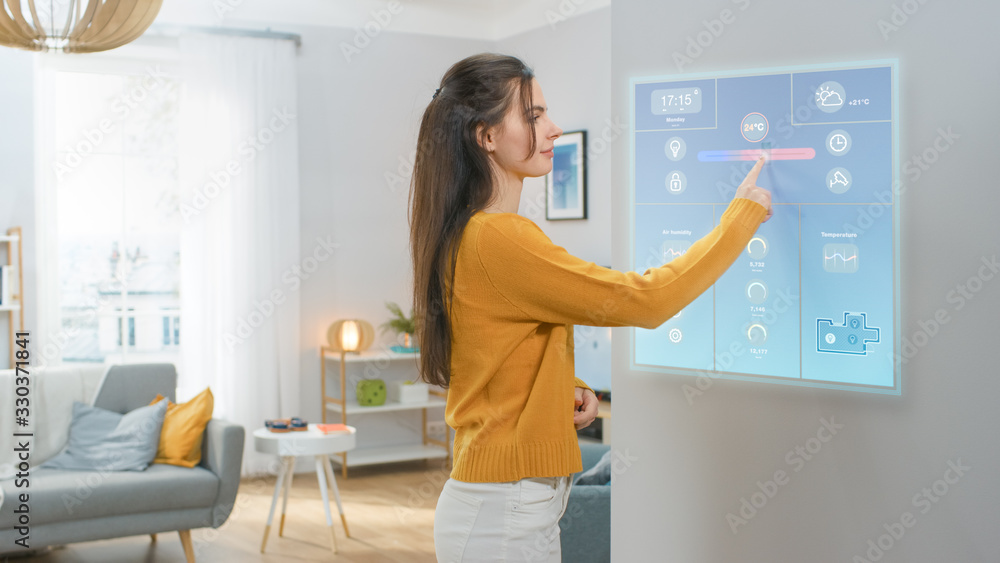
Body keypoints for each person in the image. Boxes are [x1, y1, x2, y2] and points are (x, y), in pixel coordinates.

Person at [408, 53, 771, 563]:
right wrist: (742, 217)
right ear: (486, 136)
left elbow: (493, 353)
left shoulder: (473, 233)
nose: (553, 129)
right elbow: (646, 300)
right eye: (533, 116)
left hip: (506, 505)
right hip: (504, 512)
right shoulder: (500, 238)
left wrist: (565, 388)